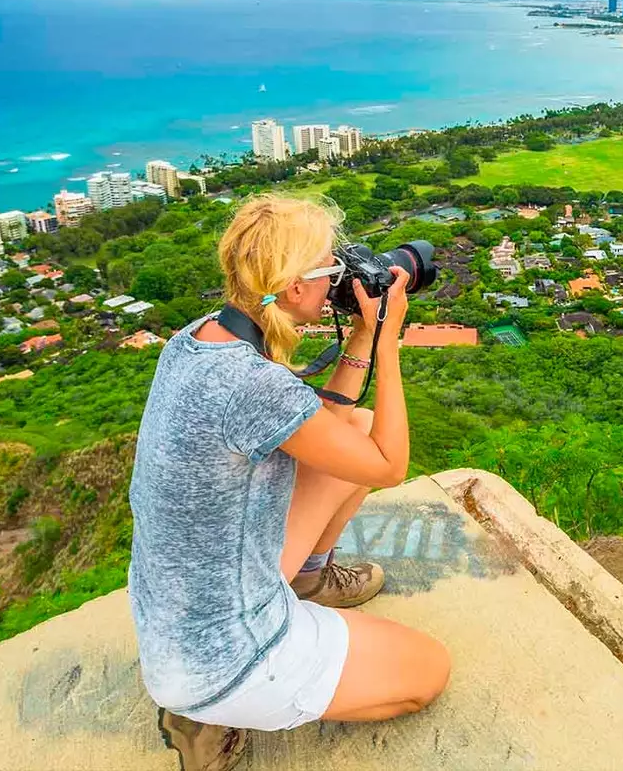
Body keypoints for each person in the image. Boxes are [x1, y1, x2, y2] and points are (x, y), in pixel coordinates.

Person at [128, 194, 451, 771]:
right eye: (332, 270)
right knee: (427, 672)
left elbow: (326, 431)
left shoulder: (199, 338)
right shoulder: (249, 384)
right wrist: (387, 338)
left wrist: (356, 335)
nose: (339, 281)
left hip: (172, 611)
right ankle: (212, 716)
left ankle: (304, 581)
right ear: (296, 284)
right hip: (219, 654)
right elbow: (387, 465)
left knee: (358, 425)